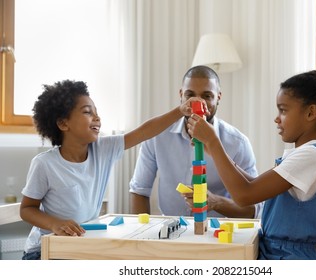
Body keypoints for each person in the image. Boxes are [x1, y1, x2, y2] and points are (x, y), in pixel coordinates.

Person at [19, 79, 207, 260]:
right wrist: (55, 224)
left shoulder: (103, 149)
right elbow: (27, 209)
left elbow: (144, 132)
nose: (97, 118)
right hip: (43, 251)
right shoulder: (44, 164)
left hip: (81, 246)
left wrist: (180, 111)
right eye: (87, 112)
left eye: (97, 112)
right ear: (63, 124)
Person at [187, 70, 316, 260]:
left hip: (288, 257)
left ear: (311, 112)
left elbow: (244, 195)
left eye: (283, 110)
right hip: (277, 251)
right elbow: (254, 183)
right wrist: (216, 151)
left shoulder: (310, 156)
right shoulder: (306, 153)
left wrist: (213, 142)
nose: (277, 118)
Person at [129, 65, 262, 219]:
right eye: (190, 95)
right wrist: (141, 236)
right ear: (181, 95)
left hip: (217, 233)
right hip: (170, 230)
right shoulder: (157, 136)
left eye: (207, 96)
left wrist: (215, 202)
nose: (198, 103)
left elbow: (254, 209)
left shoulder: (238, 143)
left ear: (218, 97)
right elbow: (139, 190)